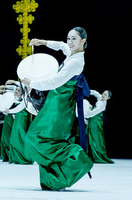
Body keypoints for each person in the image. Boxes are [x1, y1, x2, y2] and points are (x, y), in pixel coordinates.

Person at [22, 27, 94, 191]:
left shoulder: (76, 61)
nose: (70, 42)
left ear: (83, 41)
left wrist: (31, 83)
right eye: (69, 38)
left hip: (60, 107)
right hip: (54, 103)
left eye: (74, 39)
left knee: (36, 138)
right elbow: (61, 45)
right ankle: (54, 179)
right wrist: (43, 42)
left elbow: (55, 81)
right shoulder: (72, 54)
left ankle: (78, 156)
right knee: (41, 139)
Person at [3, 80, 33, 164]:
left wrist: (10, 111)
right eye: (16, 90)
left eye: (19, 90)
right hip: (18, 117)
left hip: (22, 117)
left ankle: (25, 156)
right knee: (15, 137)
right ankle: (16, 156)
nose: (16, 91)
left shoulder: (26, 96)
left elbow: (19, 108)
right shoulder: (25, 93)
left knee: (19, 135)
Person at [85, 90, 114, 163]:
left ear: (108, 98)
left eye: (105, 95)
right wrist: (87, 91)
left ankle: (97, 155)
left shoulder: (102, 105)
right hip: (94, 120)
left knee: (95, 138)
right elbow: (96, 93)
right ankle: (91, 155)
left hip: (96, 122)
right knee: (91, 137)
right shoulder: (101, 98)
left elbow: (91, 114)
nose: (103, 95)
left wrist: (84, 115)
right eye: (103, 93)